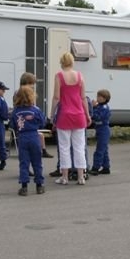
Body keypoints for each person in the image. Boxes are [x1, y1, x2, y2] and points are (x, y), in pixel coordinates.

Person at [50, 52, 91, 186]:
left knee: (64, 147)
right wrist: (87, 114)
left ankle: (65, 177)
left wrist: (52, 115)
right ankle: (81, 176)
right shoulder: (80, 76)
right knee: (79, 147)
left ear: (61, 62)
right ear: (72, 62)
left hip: (64, 115)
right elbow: (83, 98)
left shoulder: (59, 76)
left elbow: (56, 97)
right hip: (79, 115)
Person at [10, 86, 46, 196]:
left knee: (24, 162)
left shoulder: (16, 111)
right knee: (37, 162)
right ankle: (39, 185)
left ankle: (24, 186)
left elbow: (12, 125)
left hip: (22, 137)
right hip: (34, 135)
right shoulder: (36, 110)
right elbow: (42, 122)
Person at [16, 72, 54, 158]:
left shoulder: (28, 93)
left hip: (28, 124)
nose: (33, 86)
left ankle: (43, 151)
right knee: (37, 136)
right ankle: (40, 151)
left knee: (40, 135)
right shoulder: (20, 93)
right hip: (25, 124)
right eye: (31, 83)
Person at [89, 89, 112, 175]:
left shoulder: (104, 108)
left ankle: (95, 167)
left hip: (104, 130)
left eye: (100, 97)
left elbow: (97, 117)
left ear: (105, 98)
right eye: (97, 96)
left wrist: (93, 108)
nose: (97, 98)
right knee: (104, 150)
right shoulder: (99, 106)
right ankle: (106, 167)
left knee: (99, 150)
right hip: (99, 129)